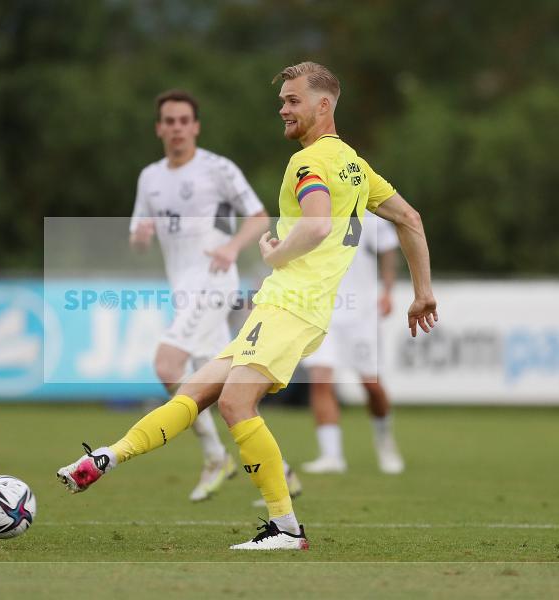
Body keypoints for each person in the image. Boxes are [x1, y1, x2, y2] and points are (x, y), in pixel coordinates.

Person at [58, 62, 438, 551]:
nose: (282, 108)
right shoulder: (354, 163)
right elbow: (410, 218)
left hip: (290, 303)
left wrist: (277, 252)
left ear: (324, 105)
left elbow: (318, 224)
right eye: (282, 100)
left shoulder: (309, 162)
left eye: (292, 100)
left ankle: (285, 527)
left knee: (236, 403)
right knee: (194, 393)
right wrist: (422, 290)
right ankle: (106, 458)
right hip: (293, 307)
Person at [130, 89, 272, 502]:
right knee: (222, 388)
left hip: (213, 280)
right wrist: (140, 236)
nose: (176, 128)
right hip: (182, 289)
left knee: (167, 363)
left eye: (183, 121)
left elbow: (259, 217)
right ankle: (278, 471)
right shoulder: (150, 177)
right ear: (159, 128)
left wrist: (231, 248)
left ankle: (215, 457)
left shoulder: (218, 169)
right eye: (168, 122)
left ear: (195, 126)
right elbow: (139, 237)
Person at [301, 211, 405, 475]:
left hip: (362, 313)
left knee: (371, 385)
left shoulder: (366, 210)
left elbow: (389, 248)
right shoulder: (309, 205)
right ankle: (331, 455)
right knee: (320, 379)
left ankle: (384, 439)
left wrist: (388, 291)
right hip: (321, 310)